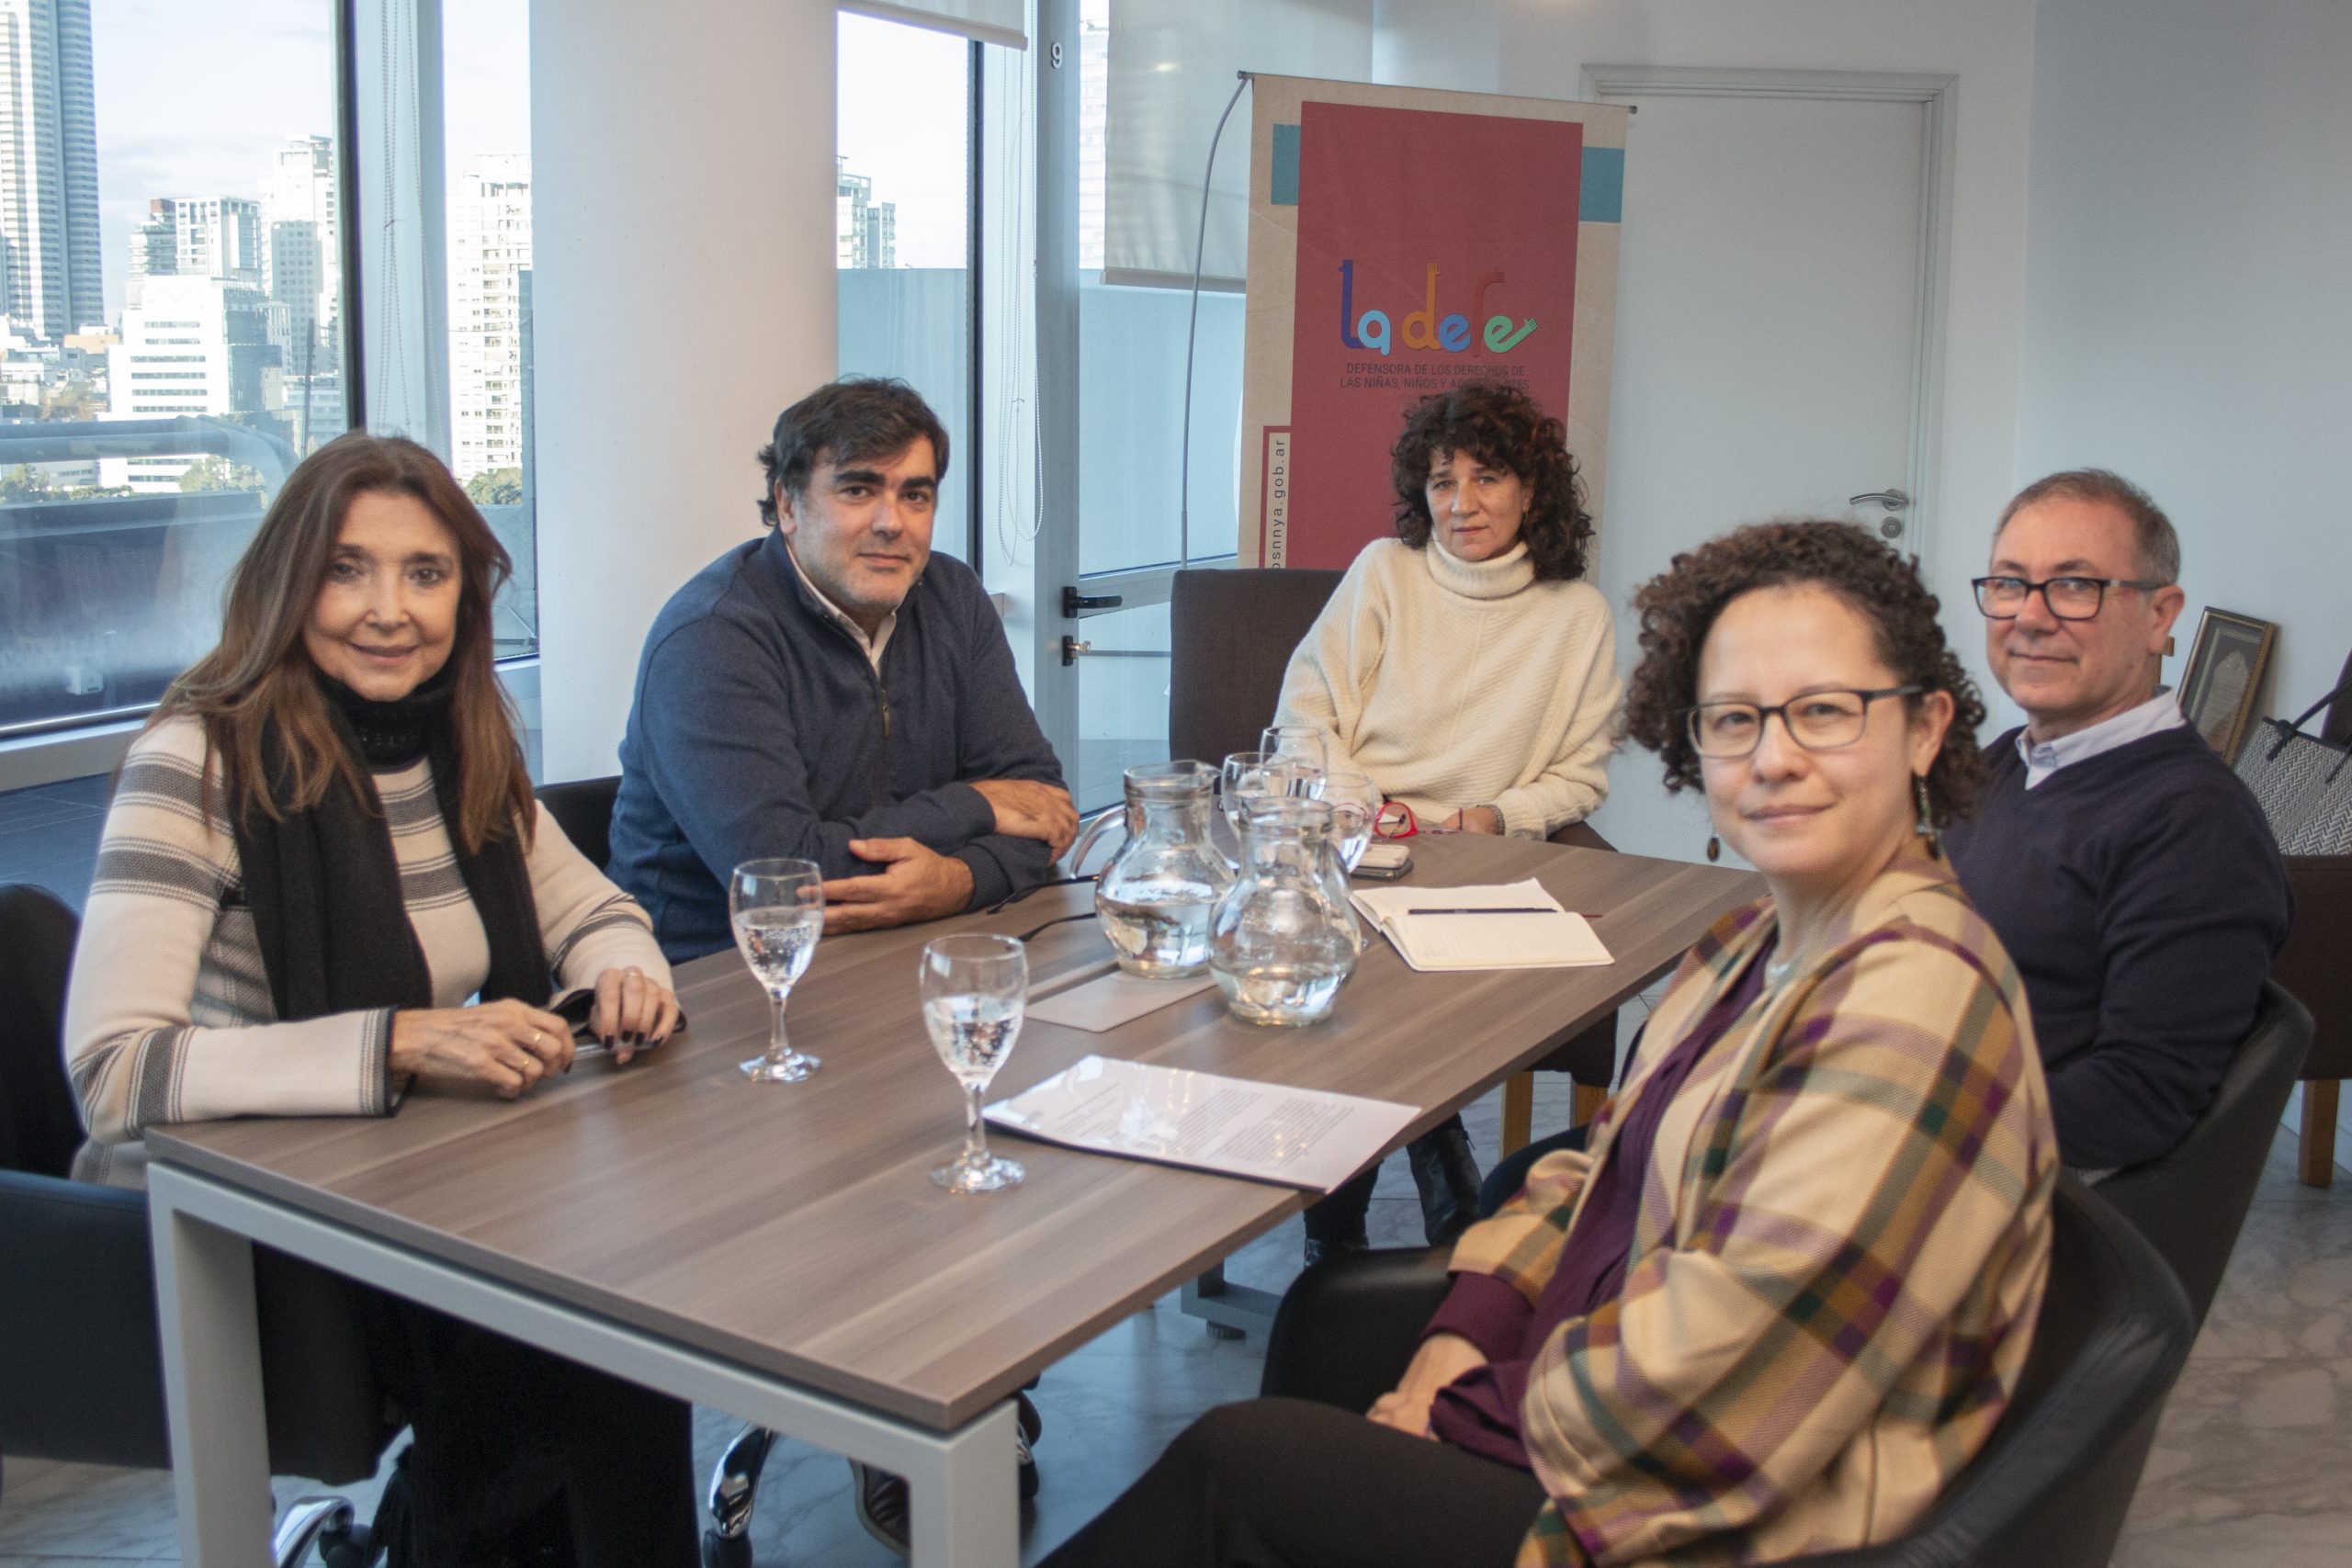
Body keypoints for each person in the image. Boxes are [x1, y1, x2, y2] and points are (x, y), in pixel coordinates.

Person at [1042, 521, 2055, 1568]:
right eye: (1734, 718)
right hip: (1602, 1392)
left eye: (1825, 713)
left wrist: (1458, 1407)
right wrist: (1467, 1325)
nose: (1774, 759)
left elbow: (1728, 1374)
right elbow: (1596, 1169)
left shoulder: (1914, 999)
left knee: (1237, 1466)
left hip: (1687, 1524)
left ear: (1927, 729)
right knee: (1327, 1329)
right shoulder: (1757, 936)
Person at [62, 433, 696, 1565]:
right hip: (233, 1232)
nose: (388, 610)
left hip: (427, 1184)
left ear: (466, 592)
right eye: (347, 569)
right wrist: (399, 1044)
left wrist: (623, 976)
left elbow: (596, 913)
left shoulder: (463, 745)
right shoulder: (197, 758)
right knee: (592, 1339)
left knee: (624, 1308)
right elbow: (115, 1070)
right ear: (286, 582)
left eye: (426, 572)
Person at [1271, 380, 1623, 1258]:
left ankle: (1394, 1176)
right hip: (1357, 842)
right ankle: (1409, 1171)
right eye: (1440, 481)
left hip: (1478, 856)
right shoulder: (1384, 573)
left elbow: (1578, 777)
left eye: (1487, 477)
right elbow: (1308, 716)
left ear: (1533, 490)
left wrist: (1492, 816)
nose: (1460, 504)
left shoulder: (1576, 616)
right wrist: (1363, 807)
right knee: (1338, 965)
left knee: (1403, 986)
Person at [609, 377, 1074, 960]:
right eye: (858, 490)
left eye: (915, 495)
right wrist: (979, 806)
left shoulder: (952, 596)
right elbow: (784, 880)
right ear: (787, 505)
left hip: (908, 949)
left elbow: (1042, 807)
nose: (891, 522)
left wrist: (957, 882)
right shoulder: (710, 639)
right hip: (719, 983)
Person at [1945, 468, 2290, 1175]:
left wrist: (1906, 1123)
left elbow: (2140, 1097)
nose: (2030, 617)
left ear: (2160, 615)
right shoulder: (2007, 761)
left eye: (2076, 586)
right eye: (2010, 583)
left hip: (2007, 1200)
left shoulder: (2194, 827)